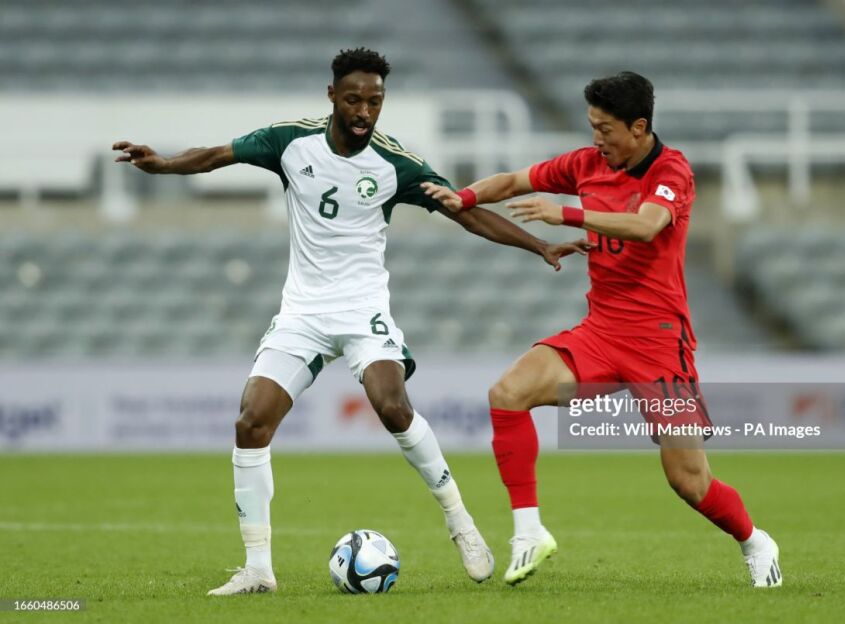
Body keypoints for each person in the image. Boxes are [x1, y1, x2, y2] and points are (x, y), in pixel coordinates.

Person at [113, 47, 590, 595]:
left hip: (364, 311)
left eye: (375, 101)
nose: (365, 111)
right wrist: (164, 165)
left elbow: (465, 212)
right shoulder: (290, 141)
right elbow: (218, 155)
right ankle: (258, 568)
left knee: (393, 407)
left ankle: (460, 521)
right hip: (303, 312)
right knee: (251, 422)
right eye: (355, 99)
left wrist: (538, 245)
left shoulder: (396, 164)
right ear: (332, 96)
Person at [422, 71, 782, 588]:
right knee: (507, 394)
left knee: (689, 480)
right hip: (601, 332)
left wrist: (566, 215)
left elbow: (647, 225)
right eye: (592, 126)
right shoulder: (586, 164)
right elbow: (514, 181)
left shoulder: (672, 170)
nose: (596, 139)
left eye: (605, 129)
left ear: (638, 128)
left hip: (659, 341)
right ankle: (529, 533)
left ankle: (755, 541)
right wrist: (466, 198)